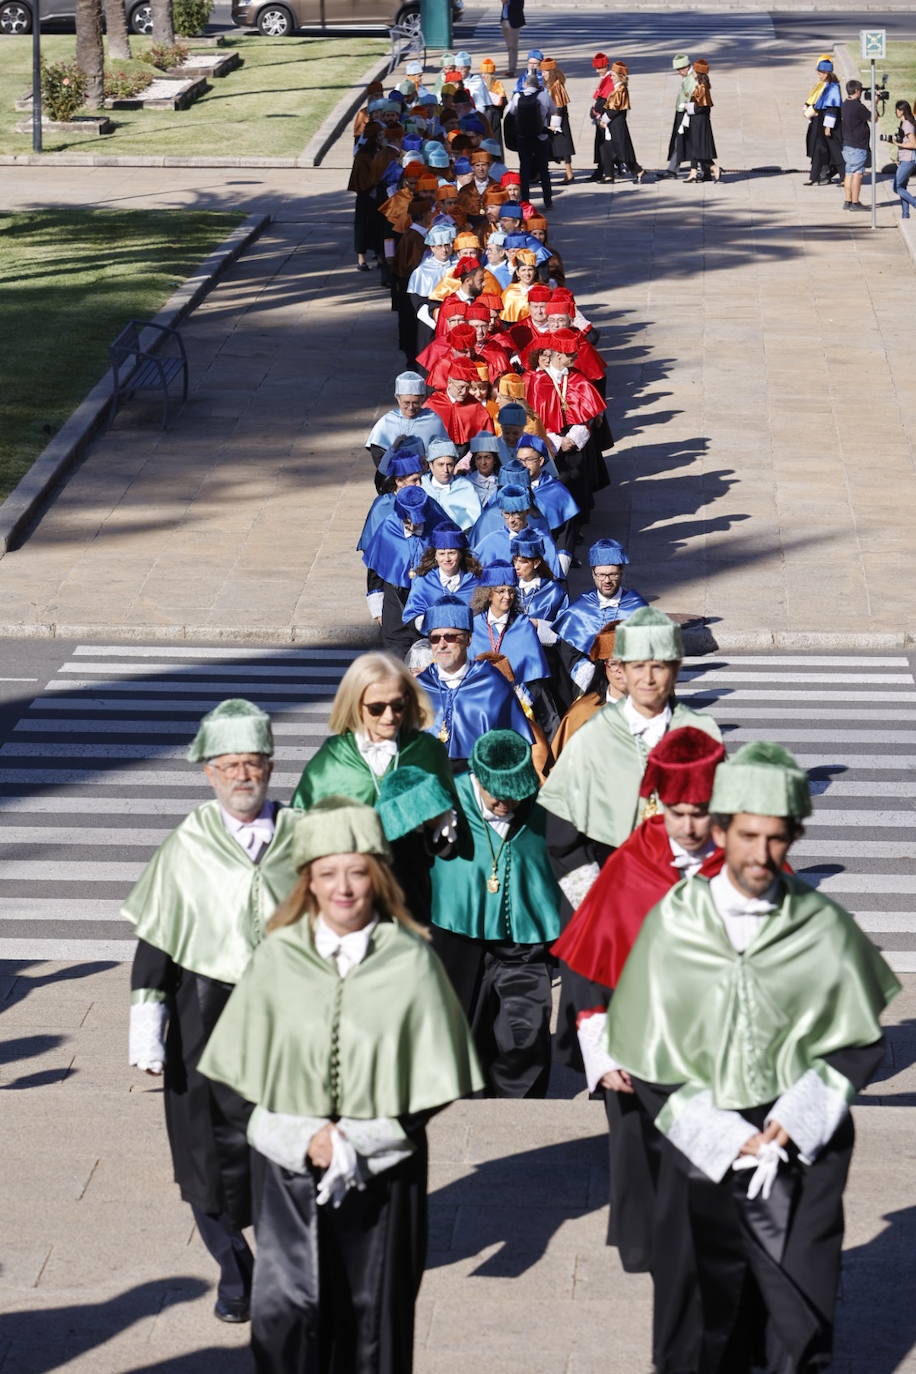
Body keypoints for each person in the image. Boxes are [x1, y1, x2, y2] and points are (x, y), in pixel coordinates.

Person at [605, 741, 901, 1374]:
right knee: (700, 1320)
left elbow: (859, 1041)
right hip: (701, 1143)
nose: (761, 855)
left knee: (796, 1320)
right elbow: (646, 1048)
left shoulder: (823, 925)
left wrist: (797, 1114)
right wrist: (718, 1130)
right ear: (721, 832)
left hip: (797, 1149)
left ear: (793, 837)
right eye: (747, 836)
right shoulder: (674, 923)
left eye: (776, 839)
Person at [198, 797, 482, 1373]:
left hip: (383, 1175)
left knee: (373, 1322)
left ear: (378, 878)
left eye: (357, 872)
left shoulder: (410, 959)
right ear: (308, 881)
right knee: (287, 1321)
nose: (343, 888)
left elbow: (435, 1077)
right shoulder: (278, 956)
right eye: (328, 873)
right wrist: (304, 1137)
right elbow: (237, 1075)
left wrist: (358, 1138)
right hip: (287, 1174)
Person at [123, 700, 300, 1324]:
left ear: (271, 766)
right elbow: (155, 941)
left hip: (285, 1020)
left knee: (285, 1148)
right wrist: (148, 1025)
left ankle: (283, 1264)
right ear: (209, 773)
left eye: (253, 764)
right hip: (203, 1012)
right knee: (202, 1153)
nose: (242, 776)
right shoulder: (187, 845)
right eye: (229, 766)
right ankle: (234, 1266)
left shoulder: (303, 836)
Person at [553, 727, 726, 1274]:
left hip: (711, 1043)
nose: (691, 827)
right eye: (679, 813)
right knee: (639, 1150)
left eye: (701, 812)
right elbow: (588, 958)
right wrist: (600, 1052)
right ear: (659, 806)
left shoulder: (742, 864)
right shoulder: (630, 865)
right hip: (636, 1041)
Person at [538, 607, 722, 916]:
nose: (638, 676)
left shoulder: (688, 728)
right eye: (624, 664)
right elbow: (560, 818)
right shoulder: (586, 722)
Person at [429, 730, 562, 1097]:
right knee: (462, 1031)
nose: (507, 804)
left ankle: (519, 1111)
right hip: (458, 934)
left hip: (523, 940)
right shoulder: (446, 797)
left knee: (525, 1032)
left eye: (515, 796)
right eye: (497, 796)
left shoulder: (545, 804)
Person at [290, 650, 456, 812]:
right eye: (376, 708)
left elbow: (455, 815)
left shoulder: (427, 751)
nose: (389, 717)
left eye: (398, 705)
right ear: (355, 705)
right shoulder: (332, 759)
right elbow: (299, 821)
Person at [415, 594, 535, 769]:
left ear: (468, 639)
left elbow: (514, 749)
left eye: (450, 637)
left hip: (479, 778)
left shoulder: (493, 684)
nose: (442, 645)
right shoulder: (418, 687)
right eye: (435, 638)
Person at [553, 538, 648, 695]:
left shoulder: (638, 608)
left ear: (621, 572)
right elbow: (569, 653)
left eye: (612, 574)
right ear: (593, 574)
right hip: (588, 686)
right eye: (601, 575)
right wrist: (593, 679)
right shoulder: (580, 609)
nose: (607, 581)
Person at [362, 484, 442, 657]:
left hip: (429, 604)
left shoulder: (439, 528)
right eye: (407, 521)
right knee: (397, 663)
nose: (412, 526)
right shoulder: (388, 527)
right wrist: (377, 607)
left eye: (417, 521)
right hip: (396, 605)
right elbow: (376, 568)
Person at [402, 522, 484, 628]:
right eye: (441, 554)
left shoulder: (475, 582)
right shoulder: (423, 582)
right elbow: (411, 615)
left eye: (452, 553)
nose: (447, 559)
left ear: (460, 554)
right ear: (435, 556)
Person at [364, 372, 448, 476]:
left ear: (422, 399)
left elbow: (444, 451)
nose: (411, 407)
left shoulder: (433, 420)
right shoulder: (386, 421)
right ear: (398, 398)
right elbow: (378, 454)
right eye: (406, 403)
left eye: (416, 402)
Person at [506, 74, 555, 206]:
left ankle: (525, 200)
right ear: (537, 85)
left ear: (525, 84)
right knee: (543, 169)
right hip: (541, 137)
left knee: (524, 168)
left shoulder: (517, 96)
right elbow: (553, 110)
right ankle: (548, 200)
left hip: (523, 137)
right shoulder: (544, 95)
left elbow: (511, 112)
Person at [593, 61, 644, 184]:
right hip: (612, 122)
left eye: (613, 75)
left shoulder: (621, 89)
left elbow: (615, 108)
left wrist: (604, 119)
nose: (611, 77)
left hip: (617, 123)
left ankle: (638, 170)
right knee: (608, 148)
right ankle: (609, 175)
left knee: (622, 149)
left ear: (620, 76)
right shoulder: (617, 88)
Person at [421, 437, 484, 528]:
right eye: (441, 465)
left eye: (449, 465)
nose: (445, 470)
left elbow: (476, 522)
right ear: (431, 465)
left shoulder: (465, 487)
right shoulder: (421, 486)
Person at [804, 55, 844, 186]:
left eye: (820, 72)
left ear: (826, 73)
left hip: (829, 123)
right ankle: (814, 176)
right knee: (818, 149)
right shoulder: (821, 85)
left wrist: (828, 126)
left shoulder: (833, 87)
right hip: (819, 120)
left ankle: (844, 177)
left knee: (835, 151)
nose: (818, 75)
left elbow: (832, 107)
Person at [840, 79, 874, 211]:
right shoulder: (858, 107)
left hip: (847, 145)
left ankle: (847, 201)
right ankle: (855, 202)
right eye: (860, 90)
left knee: (849, 173)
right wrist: (875, 103)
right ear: (857, 91)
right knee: (857, 175)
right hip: (858, 146)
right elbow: (874, 118)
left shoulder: (845, 104)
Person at [541, 57, 575, 184]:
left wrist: (554, 124)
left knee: (564, 147)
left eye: (544, 72)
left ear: (551, 72)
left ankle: (569, 173)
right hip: (553, 118)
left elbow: (559, 106)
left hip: (558, 121)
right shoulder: (551, 85)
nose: (543, 74)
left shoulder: (556, 86)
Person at [684, 58, 718, 182]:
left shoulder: (702, 87)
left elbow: (702, 106)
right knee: (695, 145)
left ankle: (713, 167)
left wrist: (689, 107)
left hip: (699, 121)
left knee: (698, 146)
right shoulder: (699, 84)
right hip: (696, 119)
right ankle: (696, 173)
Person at [661, 54, 695, 179]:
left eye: (680, 70)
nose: (679, 73)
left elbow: (691, 98)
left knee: (682, 141)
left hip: (686, 113)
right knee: (683, 141)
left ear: (686, 67)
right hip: (682, 112)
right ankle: (673, 169)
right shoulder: (688, 77)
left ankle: (673, 170)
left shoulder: (692, 79)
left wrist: (686, 114)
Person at [892, 99, 916, 218]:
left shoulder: (907, 124)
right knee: (902, 187)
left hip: (909, 159)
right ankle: (905, 215)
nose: (895, 111)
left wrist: (898, 144)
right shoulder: (904, 123)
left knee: (897, 187)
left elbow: (914, 144)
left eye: (897, 109)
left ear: (901, 111)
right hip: (904, 159)